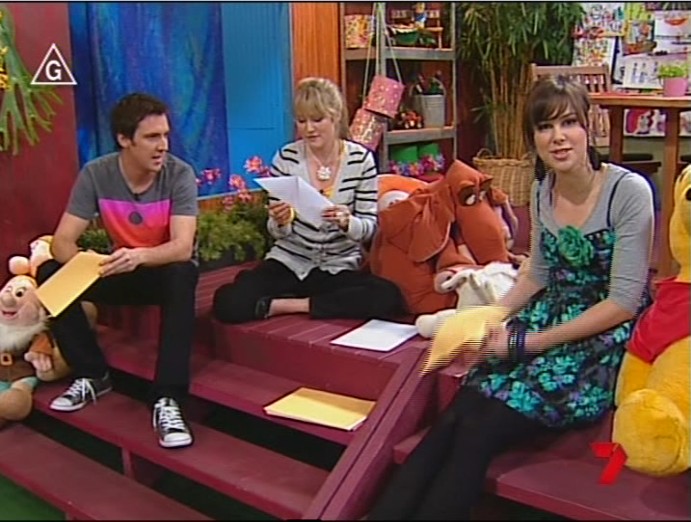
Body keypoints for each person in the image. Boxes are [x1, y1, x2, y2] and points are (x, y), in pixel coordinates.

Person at [368, 75, 654, 519]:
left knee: (480, 429)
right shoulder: (542, 189)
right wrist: (492, 316)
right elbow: (538, 270)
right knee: (456, 416)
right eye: (545, 127)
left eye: (569, 123)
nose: (558, 137)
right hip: (547, 315)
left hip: (599, 337)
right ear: (532, 138)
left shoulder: (628, 192)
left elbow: (623, 301)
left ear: (589, 127)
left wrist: (526, 343)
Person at [36, 93, 199, 449]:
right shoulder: (97, 173)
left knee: (182, 273)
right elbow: (61, 242)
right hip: (116, 269)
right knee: (49, 271)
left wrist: (140, 256)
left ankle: (167, 397)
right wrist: (88, 264)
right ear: (124, 139)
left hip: (159, 271)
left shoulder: (179, 174)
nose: (163, 146)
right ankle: (93, 374)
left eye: (165, 135)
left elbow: (182, 247)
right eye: (152, 137)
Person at [212, 77, 406, 323]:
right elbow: (276, 232)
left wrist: (347, 222)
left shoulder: (361, 161)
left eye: (317, 119)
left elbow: (369, 228)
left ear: (335, 116)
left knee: (387, 296)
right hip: (289, 261)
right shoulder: (286, 158)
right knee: (227, 301)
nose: (309, 129)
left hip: (337, 267)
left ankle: (291, 304)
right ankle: (307, 302)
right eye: (302, 121)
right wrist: (281, 221)